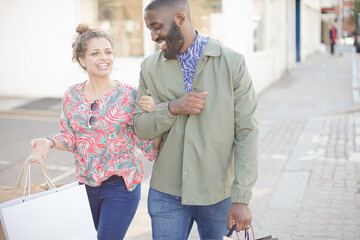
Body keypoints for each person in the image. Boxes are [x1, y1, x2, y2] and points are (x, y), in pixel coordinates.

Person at [132, 0, 259, 239]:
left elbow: (247, 132)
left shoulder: (232, 63)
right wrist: (172, 108)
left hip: (217, 194)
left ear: (180, 18)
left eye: (157, 27)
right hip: (166, 193)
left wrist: (241, 197)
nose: (152, 36)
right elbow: (141, 127)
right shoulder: (149, 67)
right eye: (150, 28)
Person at [30, 24, 160, 240]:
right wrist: (49, 142)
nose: (104, 57)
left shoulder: (129, 95)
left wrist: (156, 115)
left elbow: (147, 142)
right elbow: (70, 138)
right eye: (95, 53)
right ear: (82, 60)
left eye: (108, 52)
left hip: (121, 187)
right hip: (84, 186)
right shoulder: (72, 95)